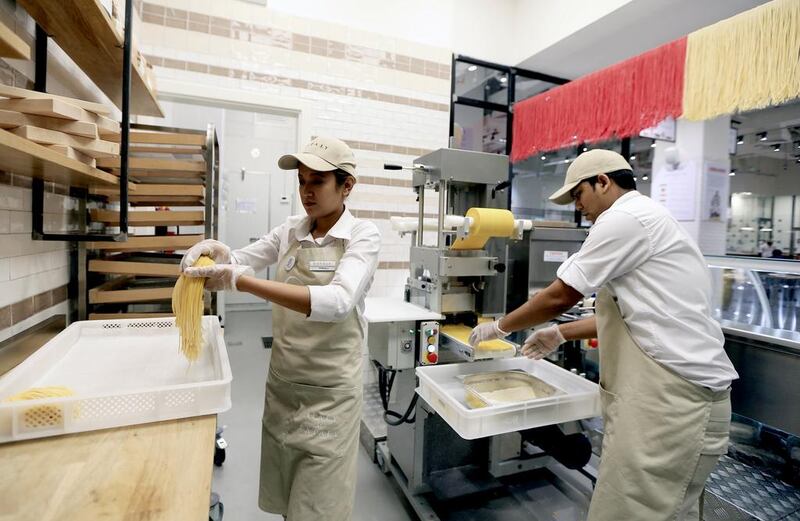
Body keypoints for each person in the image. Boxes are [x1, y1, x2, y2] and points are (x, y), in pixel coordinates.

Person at [468, 149, 738, 521]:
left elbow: (561, 294)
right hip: (670, 404)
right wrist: (561, 334)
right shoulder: (647, 219)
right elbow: (633, 316)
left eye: (578, 195)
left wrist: (499, 327)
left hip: (673, 407)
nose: (578, 206)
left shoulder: (625, 219)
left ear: (603, 182)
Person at [180, 136, 380, 520]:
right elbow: (242, 258)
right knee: (290, 496)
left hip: (330, 394)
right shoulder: (291, 229)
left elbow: (337, 302)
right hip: (285, 387)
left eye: (318, 181)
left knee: (318, 505)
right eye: (302, 180)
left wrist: (241, 281)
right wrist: (215, 253)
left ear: (347, 186)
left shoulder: (362, 236)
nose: (307, 191)